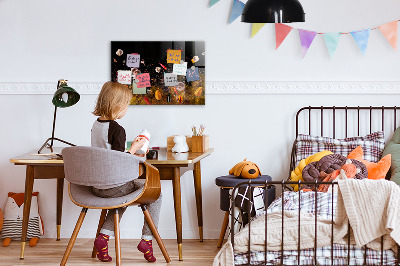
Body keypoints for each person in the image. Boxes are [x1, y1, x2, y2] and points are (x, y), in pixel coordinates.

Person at [91, 81, 161, 263]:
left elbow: (108, 154)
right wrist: (135, 149)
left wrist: (130, 149)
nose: (126, 109)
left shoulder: (96, 125)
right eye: (126, 105)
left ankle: (103, 238)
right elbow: (118, 161)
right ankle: (147, 240)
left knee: (122, 198)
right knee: (156, 194)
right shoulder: (117, 129)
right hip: (114, 186)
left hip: (97, 186)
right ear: (118, 105)